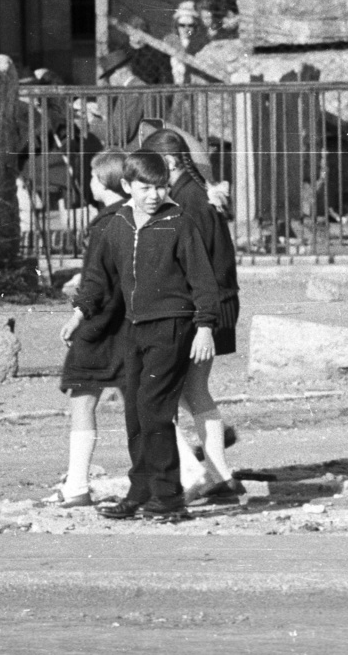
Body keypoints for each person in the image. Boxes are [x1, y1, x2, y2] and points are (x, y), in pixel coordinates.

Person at [71, 149, 222, 523]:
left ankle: (169, 498)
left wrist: (204, 327)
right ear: (126, 186)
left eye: (160, 187)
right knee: (135, 415)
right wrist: (80, 311)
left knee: (155, 412)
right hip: (133, 328)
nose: (154, 195)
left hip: (173, 328)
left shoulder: (180, 224)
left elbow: (204, 283)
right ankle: (140, 492)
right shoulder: (118, 223)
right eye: (145, 188)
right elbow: (99, 276)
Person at [141, 128, 243, 503]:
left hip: (201, 309)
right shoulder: (195, 195)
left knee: (169, 393)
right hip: (216, 305)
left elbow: (191, 267)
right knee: (194, 391)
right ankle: (219, 475)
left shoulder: (186, 202)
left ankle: (199, 475)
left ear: (168, 163)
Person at [52, 151, 129, 508]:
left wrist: (77, 315)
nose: (90, 183)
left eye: (95, 177)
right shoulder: (135, 217)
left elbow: (97, 280)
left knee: (82, 398)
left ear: (105, 182)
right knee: (143, 404)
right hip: (129, 322)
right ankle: (191, 470)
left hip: (101, 324)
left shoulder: (103, 224)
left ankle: (78, 484)